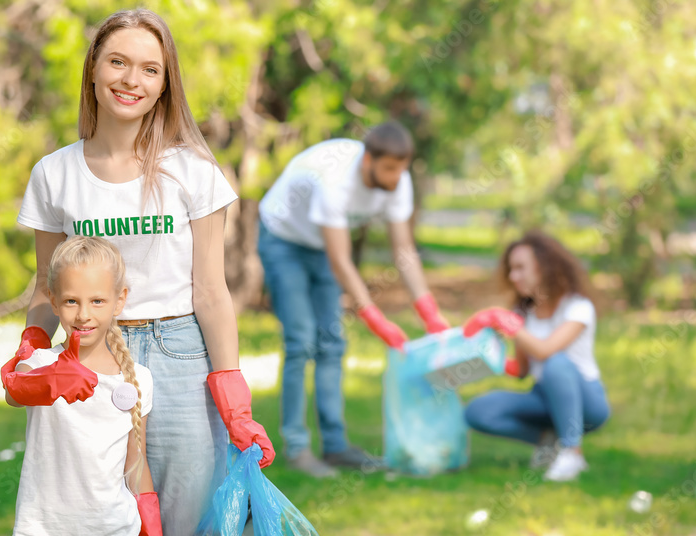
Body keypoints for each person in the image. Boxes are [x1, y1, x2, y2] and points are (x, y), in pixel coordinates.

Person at [8, 9, 274, 536]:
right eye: (118, 62)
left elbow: (212, 292)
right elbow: (48, 288)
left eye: (150, 68)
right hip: (88, 366)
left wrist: (231, 389)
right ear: (94, 71)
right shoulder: (55, 174)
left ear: (165, 83)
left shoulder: (192, 172)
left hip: (181, 359)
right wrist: (27, 353)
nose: (132, 79)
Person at [0, 236, 166, 536]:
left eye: (97, 300)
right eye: (71, 301)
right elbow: (13, 392)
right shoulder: (40, 365)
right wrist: (51, 377)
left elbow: (136, 465)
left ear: (119, 301)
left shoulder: (138, 381)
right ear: (53, 302)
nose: (84, 314)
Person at [257, 122, 450, 478]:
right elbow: (341, 261)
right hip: (283, 239)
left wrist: (428, 310)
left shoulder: (397, 181)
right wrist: (374, 317)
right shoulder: (335, 182)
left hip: (321, 246)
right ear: (367, 162)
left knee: (332, 342)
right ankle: (297, 448)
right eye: (389, 169)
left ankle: (335, 447)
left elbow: (404, 251)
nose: (396, 178)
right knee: (301, 341)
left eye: (402, 169)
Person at [462, 230, 611, 482]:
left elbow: (545, 351)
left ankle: (572, 453)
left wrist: (511, 325)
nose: (513, 276)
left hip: (588, 402)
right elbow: (522, 371)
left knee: (556, 363)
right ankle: (548, 444)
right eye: (511, 269)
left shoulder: (578, 307)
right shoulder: (525, 313)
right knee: (477, 411)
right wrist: (488, 357)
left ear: (544, 267)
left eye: (520, 268)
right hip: (543, 397)